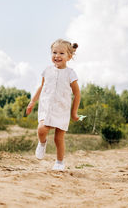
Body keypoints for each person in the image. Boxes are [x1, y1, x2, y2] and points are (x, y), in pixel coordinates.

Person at [26, 39, 81, 171]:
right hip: (47, 107)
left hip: (62, 109)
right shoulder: (47, 70)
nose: (57, 56)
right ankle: (42, 142)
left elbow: (77, 94)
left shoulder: (70, 73)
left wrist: (74, 113)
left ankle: (59, 162)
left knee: (58, 138)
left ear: (69, 56)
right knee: (41, 129)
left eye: (61, 53)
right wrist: (32, 101)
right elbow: (42, 86)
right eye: (54, 52)